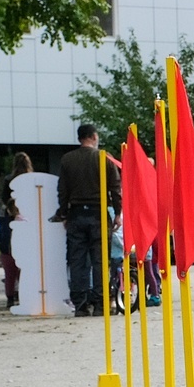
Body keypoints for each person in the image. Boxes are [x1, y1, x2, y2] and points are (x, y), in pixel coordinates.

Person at [57, 124, 120, 316]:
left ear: (79, 138)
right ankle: (101, 303)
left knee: (77, 261)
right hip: (98, 213)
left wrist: (64, 213)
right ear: (94, 136)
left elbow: (62, 190)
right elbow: (115, 188)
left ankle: (80, 305)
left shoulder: (67, 159)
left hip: (76, 214)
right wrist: (118, 213)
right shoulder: (104, 158)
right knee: (100, 261)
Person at [0, 153, 33, 308]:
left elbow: (4, 198)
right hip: (28, 218)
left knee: (10, 272)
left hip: (11, 220)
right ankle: (25, 295)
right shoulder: (31, 178)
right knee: (25, 268)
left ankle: (10, 298)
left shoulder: (9, 179)